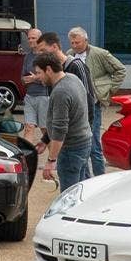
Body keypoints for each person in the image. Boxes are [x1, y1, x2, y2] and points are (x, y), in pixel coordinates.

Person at [68, 27, 127, 176]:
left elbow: (120, 70)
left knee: (94, 144)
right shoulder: (69, 55)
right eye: (72, 42)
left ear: (86, 41)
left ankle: (100, 178)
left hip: (93, 103)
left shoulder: (100, 54)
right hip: (77, 104)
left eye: (78, 42)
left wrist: (108, 90)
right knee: (81, 143)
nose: (75, 45)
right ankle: (86, 178)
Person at [32, 53, 93, 190]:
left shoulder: (61, 91)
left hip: (71, 150)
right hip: (84, 143)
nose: (37, 77)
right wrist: (45, 140)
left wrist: (51, 160)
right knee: (81, 191)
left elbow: (60, 129)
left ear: (48, 69)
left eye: (39, 73)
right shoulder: (73, 78)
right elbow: (65, 119)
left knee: (68, 196)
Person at [38, 32, 96, 155]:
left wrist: (84, 136)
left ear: (54, 47)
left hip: (79, 138)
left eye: (43, 50)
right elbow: (56, 114)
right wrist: (45, 140)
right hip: (66, 138)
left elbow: (88, 101)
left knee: (93, 154)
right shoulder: (51, 75)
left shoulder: (75, 66)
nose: (40, 54)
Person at [20, 29, 48, 143]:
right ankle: (28, 159)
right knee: (28, 127)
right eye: (29, 38)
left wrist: (35, 78)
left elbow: (52, 79)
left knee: (45, 130)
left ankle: (54, 159)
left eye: (33, 38)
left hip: (44, 97)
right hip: (30, 96)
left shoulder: (47, 56)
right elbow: (22, 77)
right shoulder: (27, 57)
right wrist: (24, 80)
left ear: (40, 40)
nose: (30, 40)